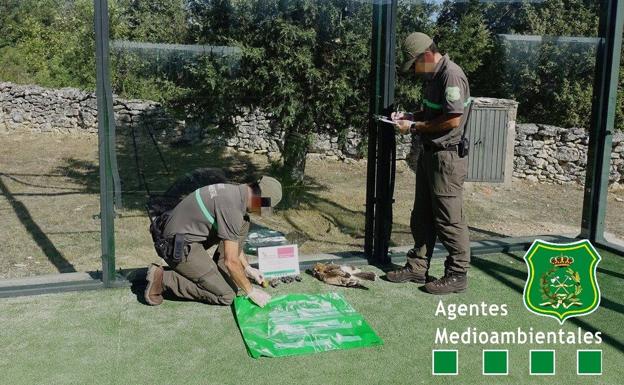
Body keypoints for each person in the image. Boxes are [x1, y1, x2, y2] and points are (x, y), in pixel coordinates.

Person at [386, 32, 471, 294]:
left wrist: (414, 127)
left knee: (448, 218)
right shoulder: (434, 77)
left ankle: (457, 274)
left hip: (446, 157)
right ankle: (417, 266)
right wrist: (411, 115)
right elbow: (435, 112)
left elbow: (453, 119)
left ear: (426, 56)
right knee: (421, 215)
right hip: (430, 153)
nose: (414, 71)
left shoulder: (451, 75)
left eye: (414, 65)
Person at [144, 176, 282, 307]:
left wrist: (247, 268)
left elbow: (233, 238)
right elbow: (231, 261)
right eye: (263, 206)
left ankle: (220, 272)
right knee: (227, 294)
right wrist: (251, 291)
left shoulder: (236, 192)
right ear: (259, 198)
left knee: (244, 222)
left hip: (185, 235)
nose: (260, 211)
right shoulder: (232, 208)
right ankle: (163, 279)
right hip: (176, 247)